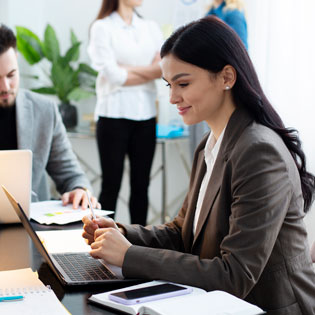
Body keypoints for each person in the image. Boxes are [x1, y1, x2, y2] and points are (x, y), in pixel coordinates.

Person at [82, 16, 315, 314]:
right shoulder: (211, 143)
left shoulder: (259, 151)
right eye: (168, 85)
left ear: (227, 77)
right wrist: (121, 234)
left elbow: (235, 275)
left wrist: (129, 255)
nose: (172, 97)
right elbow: (183, 233)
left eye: (183, 83)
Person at [0, 24, 99, 209]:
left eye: (11, 75)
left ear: (17, 59)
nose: (5, 86)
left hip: (29, 227)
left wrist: (79, 189)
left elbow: (71, 174)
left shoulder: (44, 110)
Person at [88, 0, 163, 225]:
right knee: (111, 185)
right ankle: (100, 241)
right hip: (113, 115)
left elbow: (163, 68)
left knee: (142, 186)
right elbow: (113, 75)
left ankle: (138, 247)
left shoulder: (151, 27)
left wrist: (126, 70)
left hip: (146, 116)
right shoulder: (102, 27)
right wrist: (147, 71)